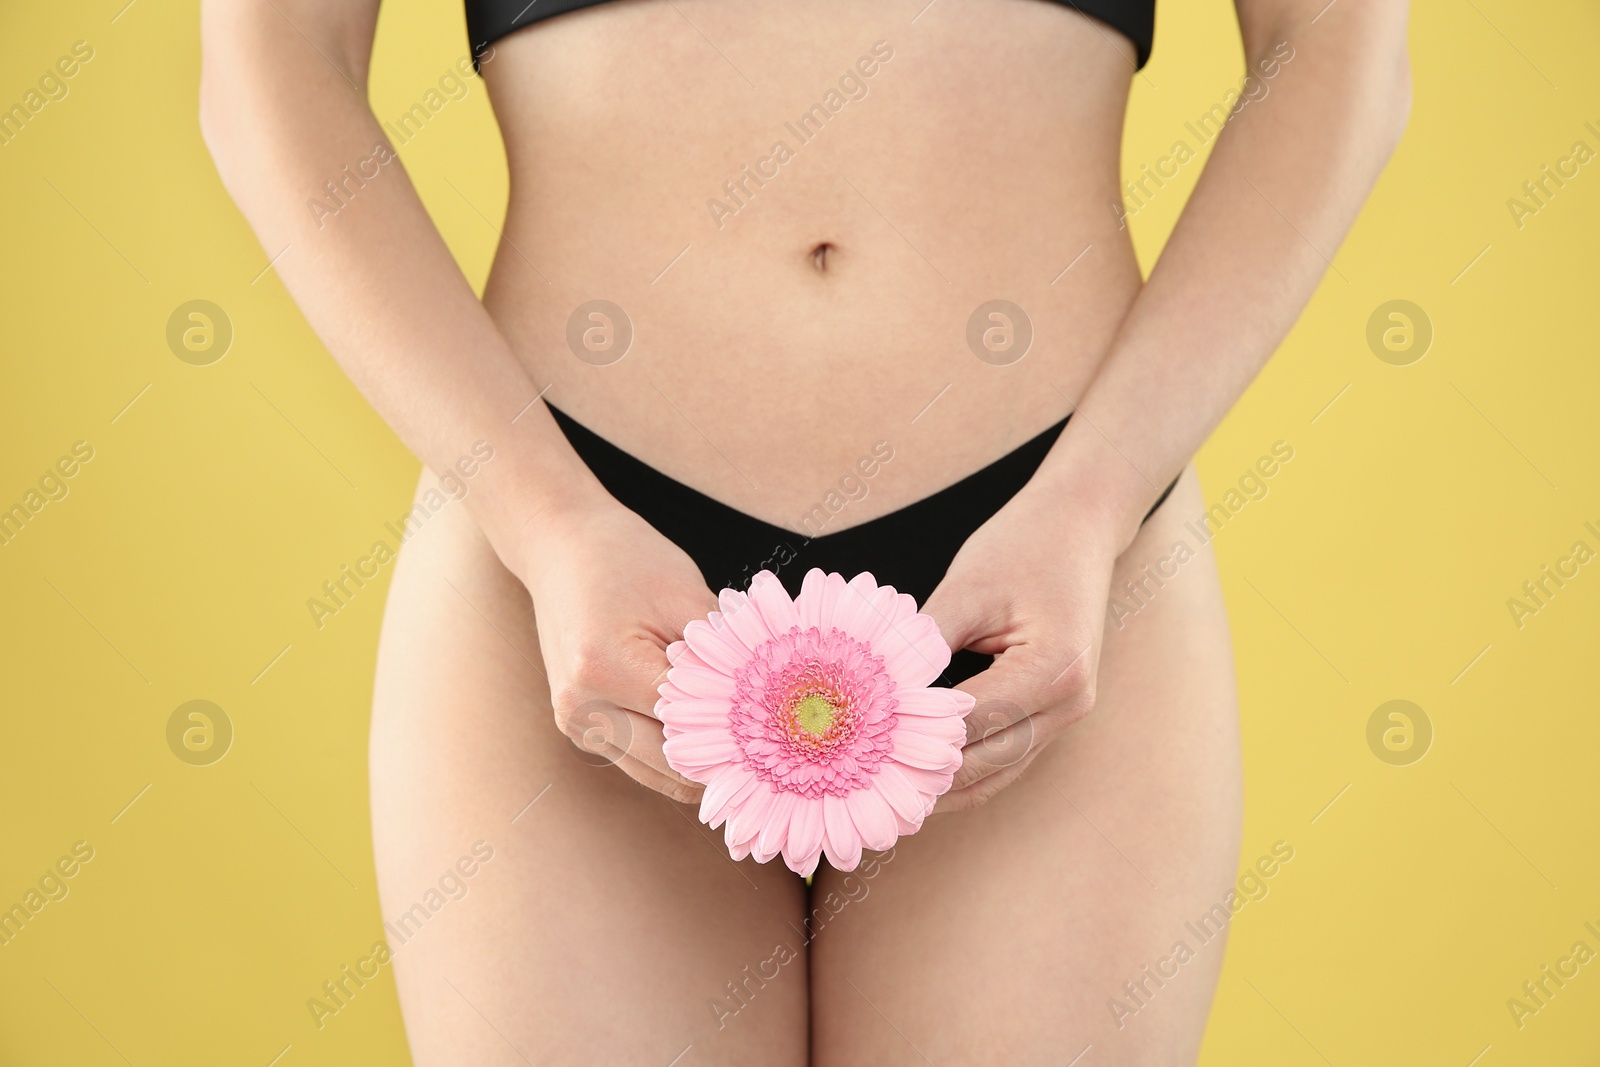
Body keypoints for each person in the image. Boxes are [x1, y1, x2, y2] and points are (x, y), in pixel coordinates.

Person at [200, 0, 1409, 1061]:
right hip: (562, 525)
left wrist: (1093, 503)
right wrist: (545, 518)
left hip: (1055, 527)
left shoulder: (1080, 518)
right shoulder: (549, 528)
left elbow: (1340, 35)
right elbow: (270, 59)